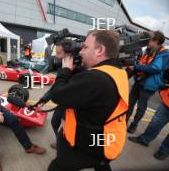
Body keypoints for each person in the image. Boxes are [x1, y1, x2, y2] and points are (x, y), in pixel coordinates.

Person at [47, 30, 129, 171]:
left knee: (57, 167)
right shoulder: (117, 71)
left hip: (92, 144)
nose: (81, 52)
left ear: (100, 50)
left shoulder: (95, 79)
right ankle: (101, 162)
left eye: (85, 47)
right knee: (100, 162)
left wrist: (65, 71)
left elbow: (57, 95)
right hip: (108, 138)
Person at [126, 31, 169, 133]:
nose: (147, 41)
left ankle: (134, 125)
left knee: (141, 107)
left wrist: (136, 66)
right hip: (139, 81)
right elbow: (143, 62)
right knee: (130, 103)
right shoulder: (148, 50)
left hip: (148, 85)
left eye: (149, 40)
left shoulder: (164, 54)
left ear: (156, 41)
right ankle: (124, 121)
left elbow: (155, 68)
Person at [128, 87, 169, 160]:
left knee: (156, 121)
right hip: (167, 101)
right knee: (156, 122)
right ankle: (145, 139)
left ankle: (164, 150)